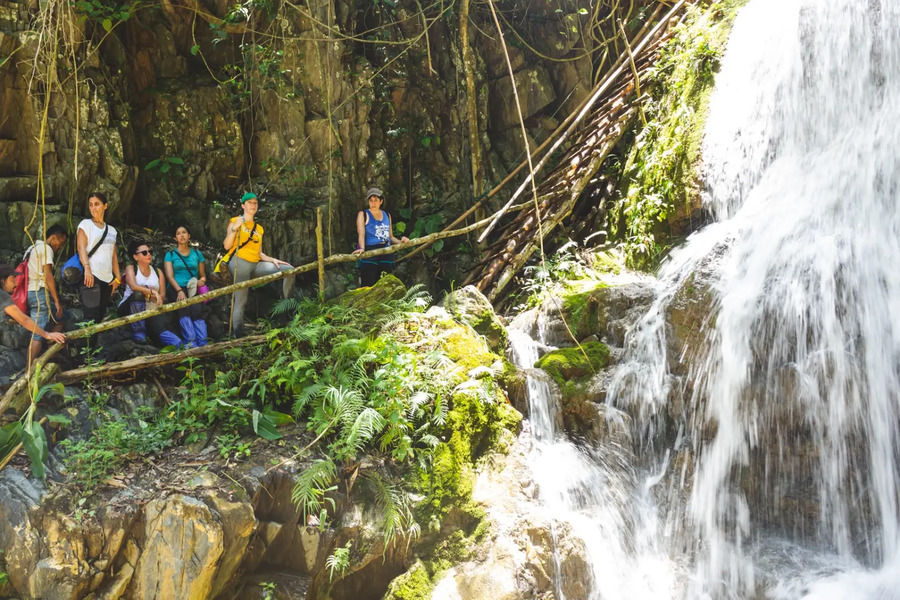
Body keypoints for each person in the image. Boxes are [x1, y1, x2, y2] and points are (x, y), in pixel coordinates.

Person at [223, 192, 294, 337]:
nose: (253, 205)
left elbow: (259, 253)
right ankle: (238, 334)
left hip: (256, 263)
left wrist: (273, 260)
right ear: (243, 205)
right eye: (250, 203)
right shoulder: (235, 221)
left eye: (255, 203)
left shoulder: (258, 228)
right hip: (239, 262)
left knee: (290, 270)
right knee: (241, 300)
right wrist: (234, 228)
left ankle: (286, 309)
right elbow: (226, 245)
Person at [118, 240, 184, 347]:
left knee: (160, 329)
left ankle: (178, 345)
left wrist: (152, 297)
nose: (148, 254)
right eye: (144, 253)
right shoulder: (131, 268)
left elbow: (162, 296)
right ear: (135, 257)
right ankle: (139, 334)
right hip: (129, 307)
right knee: (138, 295)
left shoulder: (158, 272)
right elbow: (134, 287)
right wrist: (152, 292)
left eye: (150, 252)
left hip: (151, 307)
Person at [77, 193, 121, 342]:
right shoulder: (85, 225)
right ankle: (83, 357)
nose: (93, 207)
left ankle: (92, 354)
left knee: (100, 316)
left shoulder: (112, 231)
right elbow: (81, 248)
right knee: (90, 316)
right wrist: (87, 269)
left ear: (105, 206)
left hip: (108, 278)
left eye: (97, 204)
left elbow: (113, 256)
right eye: (90, 204)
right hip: (92, 275)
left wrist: (118, 279)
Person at [24, 224, 68, 365]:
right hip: (39, 294)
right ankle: (28, 373)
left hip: (31, 293)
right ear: (54, 237)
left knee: (61, 316)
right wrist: (56, 300)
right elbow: (48, 276)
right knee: (37, 333)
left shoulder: (33, 248)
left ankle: (51, 351)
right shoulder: (46, 249)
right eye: (60, 242)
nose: (60, 246)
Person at [352, 187, 409, 287]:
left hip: (386, 251)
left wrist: (401, 242)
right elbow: (361, 233)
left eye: (376, 200)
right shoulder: (363, 214)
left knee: (385, 283)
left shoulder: (387, 215)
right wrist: (362, 248)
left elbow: (390, 237)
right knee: (368, 283)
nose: (373, 203)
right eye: (371, 200)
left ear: (381, 201)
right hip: (370, 251)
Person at [0, 264, 66, 350]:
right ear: (2, 281)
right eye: (13, 278)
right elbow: (24, 320)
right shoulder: (2, 295)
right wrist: (47, 335)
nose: (16, 283)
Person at [163, 225, 208, 347]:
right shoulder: (171, 255)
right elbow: (169, 276)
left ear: (189, 236)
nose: (182, 235)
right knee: (184, 310)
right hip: (175, 287)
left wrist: (202, 281)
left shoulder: (198, 254)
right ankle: (191, 342)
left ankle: (203, 342)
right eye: (178, 233)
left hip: (192, 287)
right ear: (175, 238)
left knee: (197, 310)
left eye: (184, 232)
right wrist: (179, 290)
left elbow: (203, 275)